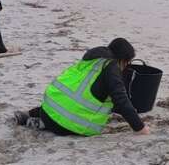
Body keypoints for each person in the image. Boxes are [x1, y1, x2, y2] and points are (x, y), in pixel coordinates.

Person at [14, 38, 151, 136]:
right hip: (71, 126)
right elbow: (121, 101)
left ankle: (32, 116)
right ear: (122, 60)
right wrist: (140, 128)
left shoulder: (91, 60)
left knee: (67, 103)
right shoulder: (111, 68)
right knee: (64, 121)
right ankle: (45, 125)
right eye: (127, 63)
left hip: (48, 108)